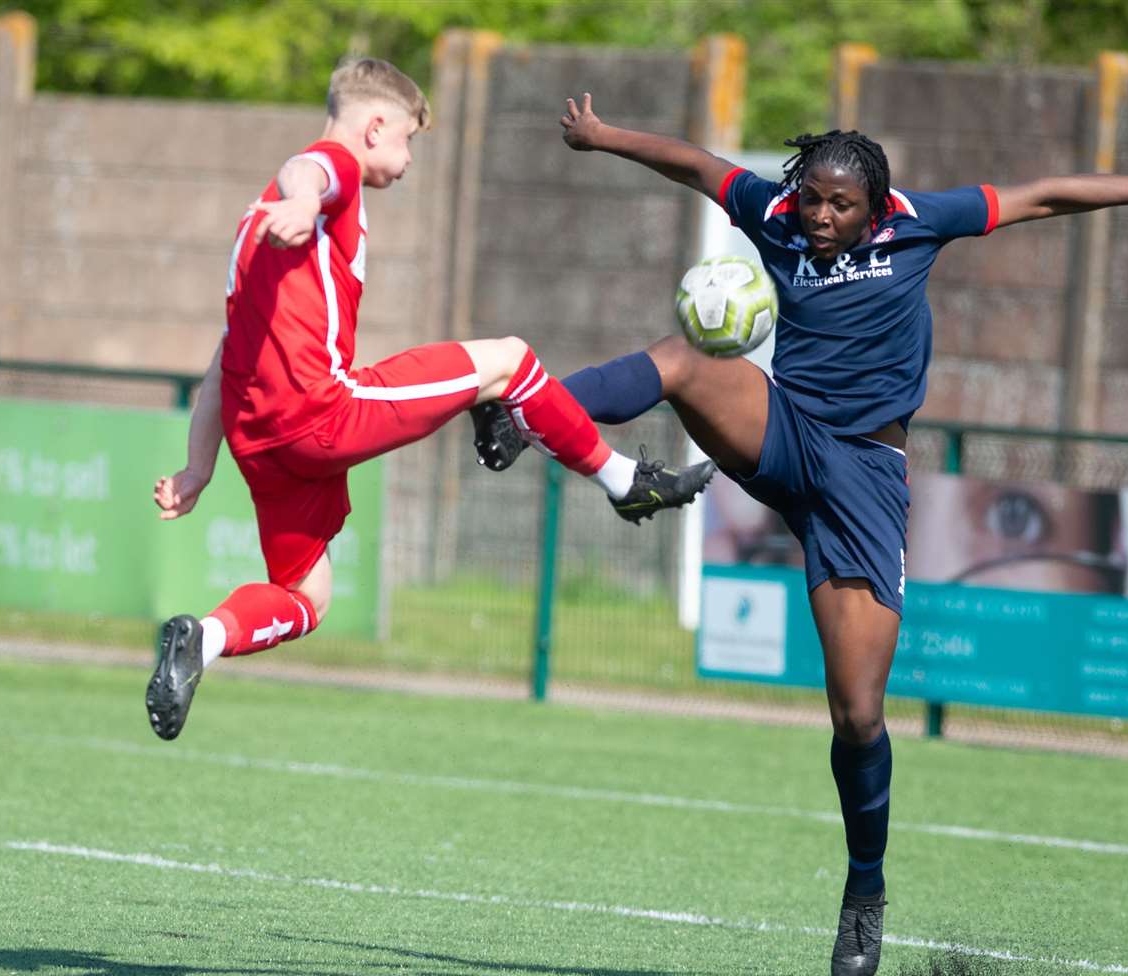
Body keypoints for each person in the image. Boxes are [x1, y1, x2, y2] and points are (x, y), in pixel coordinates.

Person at [472, 92, 1128, 976]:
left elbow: (1046, 195)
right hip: (788, 430)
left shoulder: (921, 223)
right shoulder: (774, 215)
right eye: (812, 201)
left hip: (865, 481)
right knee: (684, 359)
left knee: (857, 716)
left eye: (839, 205)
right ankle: (531, 413)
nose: (821, 217)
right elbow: (694, 163)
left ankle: (865, 888)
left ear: (875, 205)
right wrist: (603, 137)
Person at [146, 61, 714, 743]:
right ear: (375, 126)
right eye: (409, 140)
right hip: (324, 414)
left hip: (259, 442)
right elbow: (313, 168)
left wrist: (197, 466)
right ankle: (624, 481)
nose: (409, 158)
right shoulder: (329, 173)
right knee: (509, 358)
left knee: (307, 596)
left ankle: (200, 640)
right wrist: (303, 202)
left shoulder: (250, 227)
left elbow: (223, 355)